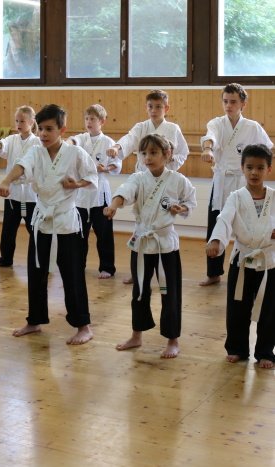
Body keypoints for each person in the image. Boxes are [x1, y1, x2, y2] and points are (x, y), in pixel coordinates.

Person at [0, 104, 98, 345]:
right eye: (40, 128)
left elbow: (91, 176)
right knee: (36, 272)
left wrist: (77, 184)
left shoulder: (75, 153)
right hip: (42, 220)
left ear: (62, 129)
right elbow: (20, 166)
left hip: (65, 222)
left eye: (49, 129)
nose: (43, 134)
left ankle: (83, 325)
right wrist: (6, 181)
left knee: (72, 275)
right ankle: (35, 320)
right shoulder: (35, 151)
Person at [104, 134, 196, 358]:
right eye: (144, 153)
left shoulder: (178, 180)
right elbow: (125, 191)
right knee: (140, 290)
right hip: (143, 242)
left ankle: (172, 340)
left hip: (165, 243)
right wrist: (113, 206)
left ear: (167, 154)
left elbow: (190, 201)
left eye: (153, 153)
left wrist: (181, 208)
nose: (148, 158)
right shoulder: (138, 178)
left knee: (170, 292)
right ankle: (136, 335)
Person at [107, 89, 189, 284]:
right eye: (151, 106)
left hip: (164, 180)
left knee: (162, 221)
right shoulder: (141, 127)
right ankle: (138, 271)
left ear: (166, 108)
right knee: (141, 223)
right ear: (146, 108)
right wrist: (116, 147)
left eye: (158, 106)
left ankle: (162, 270)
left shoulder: (173, 129)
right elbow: (129, 139)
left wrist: (169, 162)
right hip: (144, 180)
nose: (154, 110)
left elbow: (183, 152)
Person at [206, 144, 275, 369]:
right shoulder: (235, 197)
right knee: (237, 308)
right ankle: (237, 348)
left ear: (269, 169)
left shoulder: (274, 197)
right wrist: (216, 240)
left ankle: (265, 351)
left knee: (269, 310)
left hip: (269, 262)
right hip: (242, 261)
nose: (254, 172)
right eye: (249, 167)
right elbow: (225, 219)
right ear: (242, 168)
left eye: (260, 167)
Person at [200, 83, 273, 286]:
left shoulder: (252, 127)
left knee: (249, 223)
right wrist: (207, 149)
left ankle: (254, 265)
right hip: (222, 181)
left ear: (243, 104)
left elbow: (267, 149)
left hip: (244, 181)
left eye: (233, 102)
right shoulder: (217, 123)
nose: (228, 106)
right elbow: (210, 137)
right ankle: (213, 273)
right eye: (225, 101)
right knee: (216, 223)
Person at [0, 105, 40, 268]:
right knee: (8, 229)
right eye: (17, 121)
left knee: (35, 229)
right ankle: (5, 259)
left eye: (22, 121)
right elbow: (0, 144)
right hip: (12, 192)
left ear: (31, 122)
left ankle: (40, 261)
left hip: (30, 194)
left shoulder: (37, 142)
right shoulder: (12, 139)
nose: (18, 124)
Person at [69, 104, 121, 279]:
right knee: (78, 234)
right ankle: (77, 265)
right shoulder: (81, 139)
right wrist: (67, 143)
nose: (89, 122)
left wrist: (105, 168)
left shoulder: (109, 142)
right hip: (81, 195)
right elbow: (72, 141)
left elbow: (116, 165)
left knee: (104, 235)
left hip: (100, 195)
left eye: (92, 119)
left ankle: (107, 267)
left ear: (102, 121)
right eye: (86, 119)